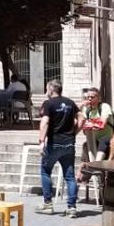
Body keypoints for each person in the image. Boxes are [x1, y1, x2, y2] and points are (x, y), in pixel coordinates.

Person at [37, 79, 81, 217]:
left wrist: (41, 140)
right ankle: (72, 207)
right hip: (69, 144)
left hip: (54, 143)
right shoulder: (70, 102)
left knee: (45, 171)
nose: (46, 92)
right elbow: (82, 118)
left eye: (46, 89)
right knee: (70, 176)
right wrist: (75, 132)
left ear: (51, 89)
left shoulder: (48, 104)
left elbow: (45, 122)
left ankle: (48, 204)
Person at [77, 87, 114, 182]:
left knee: (103, 141)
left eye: (92, 97)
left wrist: (89, 124)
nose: (89, 99)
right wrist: (80, 106)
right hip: (93, 139)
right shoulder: (87, 109)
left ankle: (94, 166)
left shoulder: (105, 107)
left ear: (99, 98)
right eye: (88, 97)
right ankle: (86, 170)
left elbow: (102, 124)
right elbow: (83, 125)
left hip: (106, 137)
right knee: (85, 145)